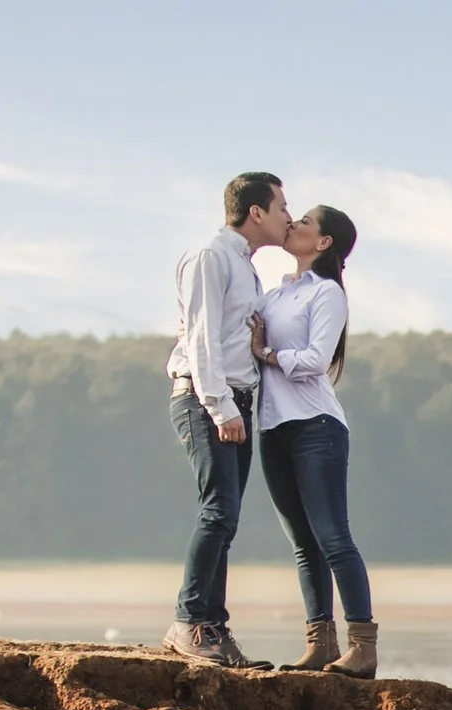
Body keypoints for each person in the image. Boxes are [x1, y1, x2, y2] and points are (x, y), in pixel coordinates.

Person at [162, 171, 291, 668]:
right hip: (206, 398)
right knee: (218, 510)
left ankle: (211, 628)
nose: (288, 217)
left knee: (226, 516)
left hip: (237, 399)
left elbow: (232, 336)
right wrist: (220, 406)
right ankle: (191, 621)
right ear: (255, 211)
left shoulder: (245, 266)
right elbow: (201, 338)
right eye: (281, 207)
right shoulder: (210, 257)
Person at [251, 205, 378, 678]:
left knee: (332, 537)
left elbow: (314, 360)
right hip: (273, 427)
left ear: (323, 242)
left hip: (315, 426)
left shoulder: (327, 293)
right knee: (303, 542)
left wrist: (266, 353)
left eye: (304, 222)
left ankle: (362, 647)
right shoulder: (276, 293)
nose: (294, 224)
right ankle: (320, 643)